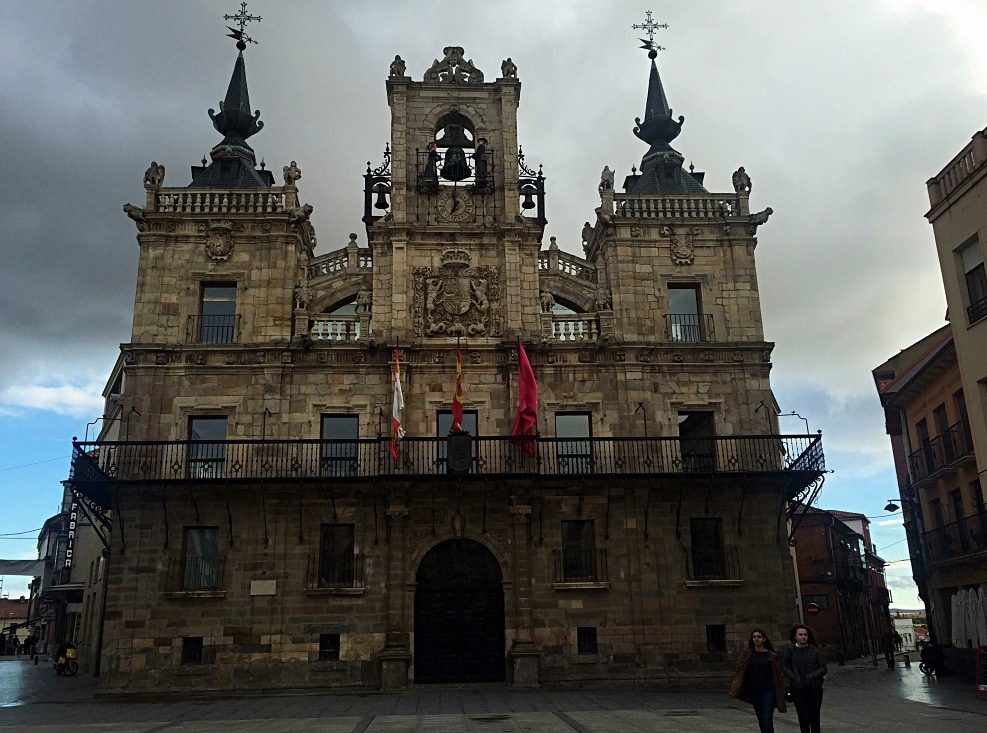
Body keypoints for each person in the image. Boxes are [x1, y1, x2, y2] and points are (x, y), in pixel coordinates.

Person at [729, 628, 786, 733]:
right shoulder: (748, 654)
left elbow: (778, 674)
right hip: (754, 689)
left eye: (759, 637)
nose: (756, 639)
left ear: (764, 639)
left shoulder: (772, 655)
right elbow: (740, 669)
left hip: (768, 689)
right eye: (754, 637)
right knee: (761, 717)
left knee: (767, 717)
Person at [782, 624, 826, 733]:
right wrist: (793, 677)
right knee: (803, 717)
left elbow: (823, 667)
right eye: (800, 634)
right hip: (798, 688)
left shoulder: (814, 650)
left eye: (805, 634)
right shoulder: (790, 649)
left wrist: (813, 676)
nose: (803, 637)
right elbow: (784, 666)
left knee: (814, 717)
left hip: (814, 688)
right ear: (795, 636)